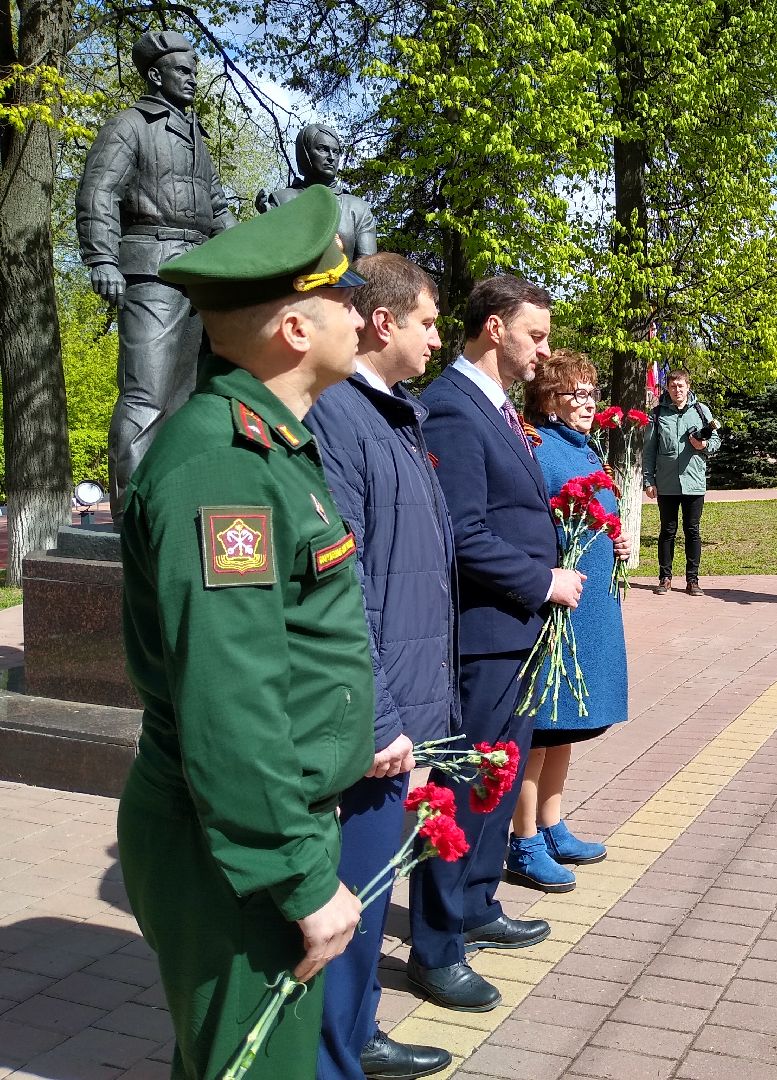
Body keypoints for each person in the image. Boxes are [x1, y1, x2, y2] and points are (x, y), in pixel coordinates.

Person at [115, 185, 372, 1078]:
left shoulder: (269, 446)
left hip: (253, 827)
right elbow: (228, 699)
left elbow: (289, 645)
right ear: (295, 329)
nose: (358, 309)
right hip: (233, 847)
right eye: (341, 293)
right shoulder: (223, 467)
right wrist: (299, 877)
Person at [407, 275, 584, 1012]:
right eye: (534, 335)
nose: (543, 350)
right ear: (491, 329)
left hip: (515, 635)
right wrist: (543, 581)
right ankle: (437, 945)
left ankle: (478, 905)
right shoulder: (452, 408)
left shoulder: (498, 409)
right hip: (485, 635)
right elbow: (464, 533)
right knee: (462, 790)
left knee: (496, 783)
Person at [304, 254, 455, 1080]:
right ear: (384, 321)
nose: (438, 337)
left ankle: (357, 1034)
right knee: (354, 898)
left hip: (401, 698)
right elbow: (345, 579)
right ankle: (334, 1056)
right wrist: (382, 715)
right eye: (429, 321)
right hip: (371, 714)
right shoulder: (340, 415)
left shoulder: (396, 412)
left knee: (371, 895)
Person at [76, 30, 235, 510]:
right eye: (182, 71)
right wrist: (102, 257)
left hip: (198, 274)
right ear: (155, 74)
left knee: (185, 400)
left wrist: (258, 253)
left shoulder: (194, 136)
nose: (192, 80)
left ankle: (171, 504)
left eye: (193, 71)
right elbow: (98, 191)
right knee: (145, 395)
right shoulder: (130, 125)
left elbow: (218, 208)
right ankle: (132, 515)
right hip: (150, 269)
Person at [506, 351, 631, 892]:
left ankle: (553, 825)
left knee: (565, 729)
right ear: (547, 398)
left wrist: (615, 535)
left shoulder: (583, 446)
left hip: (587, 607)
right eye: (575, 394)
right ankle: (523, 838)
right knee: (538, 730)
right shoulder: (536, 446)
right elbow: (528, 523)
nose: (588, 403)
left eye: (591, 392)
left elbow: (593, 511)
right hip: (556, 607)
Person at [643, 369, 721, 595]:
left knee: (692, 530)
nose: (677, 390)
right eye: (673, 386)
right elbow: (649, 451)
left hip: (693, 481)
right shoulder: (657, 414)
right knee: (667, 530)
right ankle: (665, 578)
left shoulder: (700, 410)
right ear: (667, 388)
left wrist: (704, 446)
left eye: (681, 386)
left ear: (688, 387)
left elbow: (716, 440)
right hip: (666, 483)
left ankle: (692, 580)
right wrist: (649, 481)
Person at [258, 123, 378, 260]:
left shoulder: (358, 208)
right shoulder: (283, 199)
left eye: (336, 152)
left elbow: (367, 267)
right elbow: (268, 259)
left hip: (347, 281)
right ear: (305, 153)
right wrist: (268, 225)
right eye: (323, 149)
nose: (331, 157)